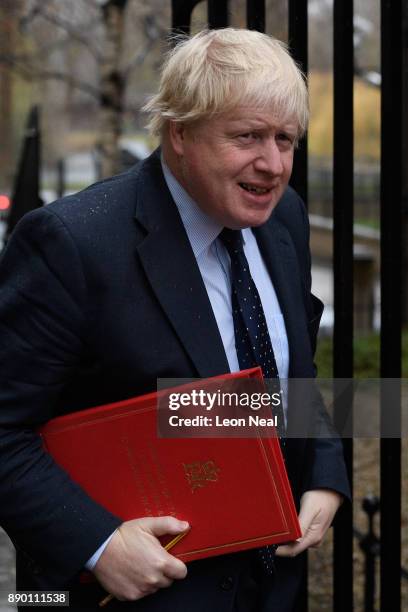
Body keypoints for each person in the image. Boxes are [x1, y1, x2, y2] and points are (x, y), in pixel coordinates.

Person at [0, 28, 349, 611]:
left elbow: (288, 376)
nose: (273, 164)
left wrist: (325, 471)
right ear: (179, 132)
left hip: (274, 589)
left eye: (286, 140)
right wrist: (100, 543)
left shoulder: (282, 218)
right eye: (248, 137)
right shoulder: (71, 243)